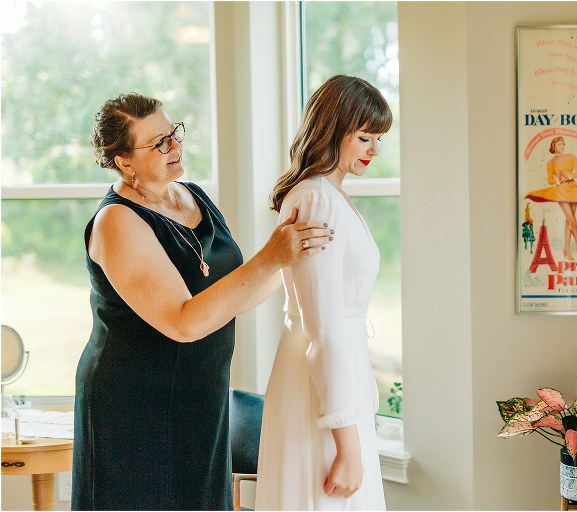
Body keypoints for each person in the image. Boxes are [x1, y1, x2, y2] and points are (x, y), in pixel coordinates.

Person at [72, 93, 333, 511]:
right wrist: (271, 256)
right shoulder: (117, 221)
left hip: (202, 397)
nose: (175, 146)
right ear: (123, 160)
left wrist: (297, 260)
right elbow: (184, 322)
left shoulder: (194, 197)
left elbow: (234, 295)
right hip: (134, 407)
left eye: (174, 133)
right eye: (159, 143)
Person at [254, 75, 391, 510]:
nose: (374, 150)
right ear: (332, 132)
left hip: (336, 385)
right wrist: (347, 445)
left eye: (378, 138)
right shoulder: (317, 200)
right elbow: (324, 327)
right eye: (365, 137)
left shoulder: (331, 195)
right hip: (321, 391)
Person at [525, 137, 577, 260]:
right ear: (554, 147)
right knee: (572, 219)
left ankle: (566, 248)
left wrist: (569, 175)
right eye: (559, 144)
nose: (562, 146)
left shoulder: (571, 156)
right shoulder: (550, 163)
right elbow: (550, 180)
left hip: (573, 188)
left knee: (569, 220)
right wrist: (557, 179)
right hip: (561, 191)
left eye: (563, 144)